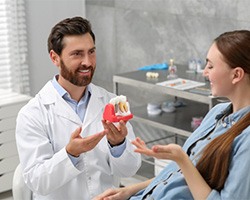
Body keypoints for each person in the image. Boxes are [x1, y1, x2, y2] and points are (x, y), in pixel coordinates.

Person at [94, 30, 250, 200]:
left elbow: (188, 170)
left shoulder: (246, 139)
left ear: (236, 75)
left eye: (210, 66)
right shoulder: (217, 113)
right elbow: (178, 175)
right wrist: (129, 190)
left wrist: (182, 159)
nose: (205, 73)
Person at [15, 16, 141, 200]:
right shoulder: (33, 114)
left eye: (91, 52)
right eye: (77, 54)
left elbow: (129, 170)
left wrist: (118, 145)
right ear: (55, 58)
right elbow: (37, 182)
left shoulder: (110, 101)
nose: (88, 62)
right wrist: (70, 153)